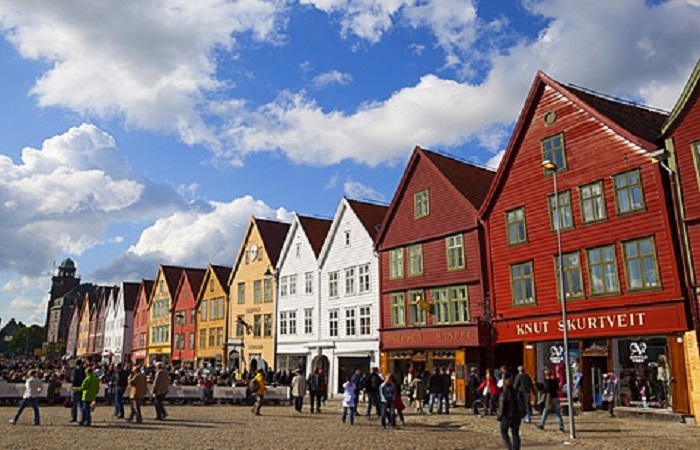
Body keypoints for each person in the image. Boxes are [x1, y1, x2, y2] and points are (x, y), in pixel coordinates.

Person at [498, 378, 525, 450]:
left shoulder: (504, 393)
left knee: (504, 431)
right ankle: (516, 448)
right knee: (515, 433)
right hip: (516, 416)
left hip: (507, 416)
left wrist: (500, 415)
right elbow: (522, 403)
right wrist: (523, 412)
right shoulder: (517, 392)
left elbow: (502, 405)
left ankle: (509, 446)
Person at [537, 368, 565, 432]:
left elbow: (546, 389)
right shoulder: (555, 381)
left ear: (545, 375)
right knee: (557, 413)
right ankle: (561, 426)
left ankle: (541, 424)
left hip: (549, 399)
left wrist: (541, 391)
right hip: (556, 397)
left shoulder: (547, 381)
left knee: (546, 411)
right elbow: (557, 388)